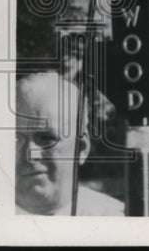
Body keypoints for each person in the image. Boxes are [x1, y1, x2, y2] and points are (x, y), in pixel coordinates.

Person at [15, 72, 124, 216]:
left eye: (46, 138)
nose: (29, 154)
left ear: (81, 149)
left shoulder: (115, 219)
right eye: (15, 139)